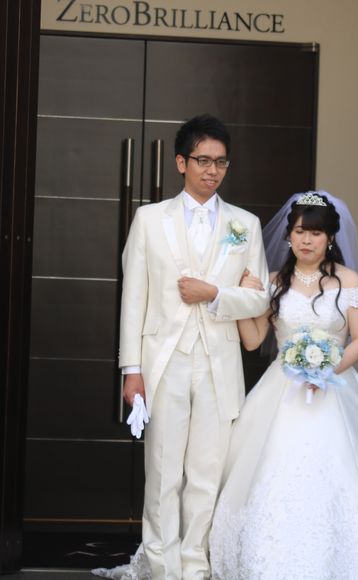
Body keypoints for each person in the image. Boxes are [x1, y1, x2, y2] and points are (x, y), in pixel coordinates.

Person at [208, 191, 358, 579]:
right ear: (289, 236)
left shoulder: (348, 280)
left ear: (330, 237)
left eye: (315, 233)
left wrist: (325, 371)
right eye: (299, 231)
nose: (306, 240)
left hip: (335, 387)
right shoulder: (275, 282)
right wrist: (242, 298)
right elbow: (254, 340)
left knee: (341, 474)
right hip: (281, 390)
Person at [114, 114, 269, 580]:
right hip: (165, 361)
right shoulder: (149, 219)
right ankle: (163, 566)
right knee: (164, 471)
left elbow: (260, 298)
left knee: (207, 471)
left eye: (221, 162)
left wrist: (216, 294)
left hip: (220, 360)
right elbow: (133, 297)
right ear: (181, 162)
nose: (212, 170)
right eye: (203, 160)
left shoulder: (245, 224)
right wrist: (131, 369)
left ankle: (196, 565)